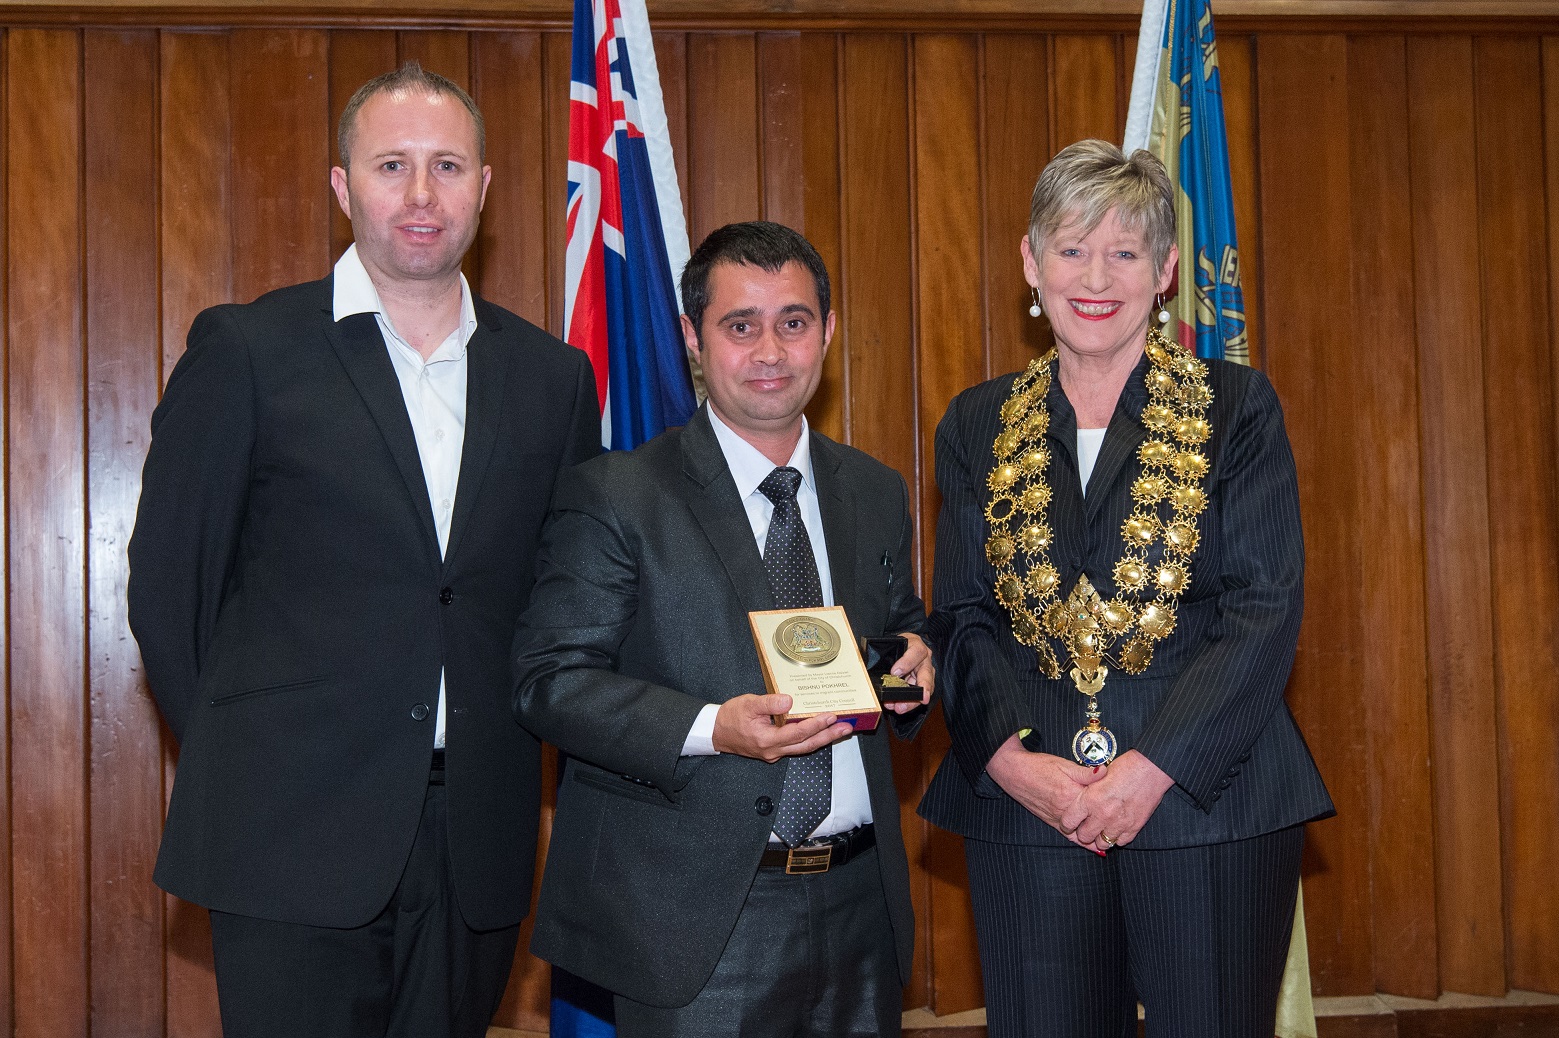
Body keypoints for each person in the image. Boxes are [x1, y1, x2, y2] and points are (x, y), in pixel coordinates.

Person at [127, 62, 599, 1038]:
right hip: (285, 832)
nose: (421, 195)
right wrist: (251, 754)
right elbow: (171, 592)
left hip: (477, 833)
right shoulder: (250, 351)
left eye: (446, 166)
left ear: (486, 186)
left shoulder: (549, 379)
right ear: (344, 188)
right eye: (392, 165)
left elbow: (569, 598)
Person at [918, 140, 1334, 1038]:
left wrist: (1150, 770)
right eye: (1070, 249)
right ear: (1030, 263)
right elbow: (962, 617)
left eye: (1125, 251)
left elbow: (1262, 608)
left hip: (1206, 801)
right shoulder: (976, 421)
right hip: (1032, 806)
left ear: (1166, 272)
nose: (1094, 275)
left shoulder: (1237, 406)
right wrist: (1008, 764)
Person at [513, 220, 935, 1038]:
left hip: (859, 909)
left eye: (794, 321)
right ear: (691, 339)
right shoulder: (618, 495)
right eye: (740, 325)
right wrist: (714, 730)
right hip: (693, 919)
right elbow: (549, 682)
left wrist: (919, 667)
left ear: (827, 331)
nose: (770, 349)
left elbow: (900, 629)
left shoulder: (874, 492)